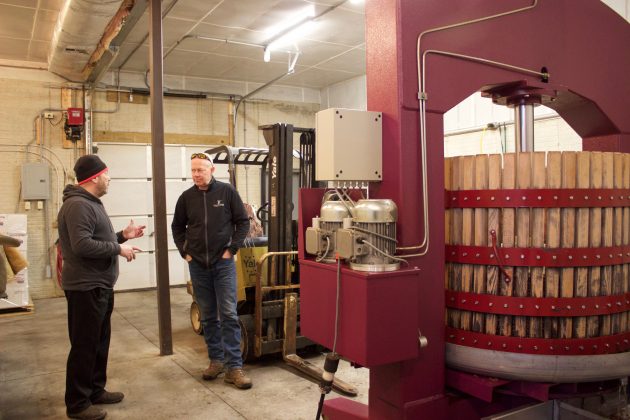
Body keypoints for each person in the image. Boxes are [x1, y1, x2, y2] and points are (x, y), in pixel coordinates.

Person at [58, 155, 145, 420]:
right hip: (86, 287)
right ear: (95, 177)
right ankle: (77, 403)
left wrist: (121, 236)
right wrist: (119, 248)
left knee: (99, 341)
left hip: (99, 285)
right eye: (106, 174)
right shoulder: (78, 205)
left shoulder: (91, 204)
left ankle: (95, 390)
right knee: (84, 344)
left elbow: (95, 238)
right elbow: (82, 245)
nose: (109, 179)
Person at [172, 152, 251, 389]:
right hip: (198, 265)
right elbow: (177, 227)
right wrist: (184, 251)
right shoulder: (186, 198)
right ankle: (216, 361)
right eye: (193, 170)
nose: (196, 174)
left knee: (228, 313)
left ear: (212, 170)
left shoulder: (227, 192)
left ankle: (234, 367)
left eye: (201, 170)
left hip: (223, 263)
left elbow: (243, 222)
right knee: (207, 316)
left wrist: (232, 249)